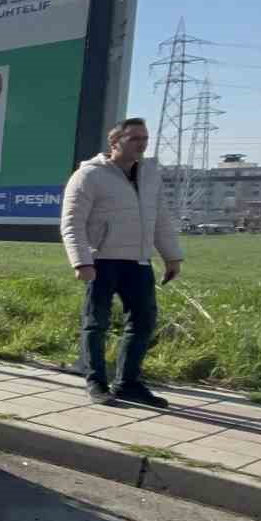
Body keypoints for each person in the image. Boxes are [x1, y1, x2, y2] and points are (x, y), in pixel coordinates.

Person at [60, 117, 183, 408]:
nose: (142, 144)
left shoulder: (150, 175)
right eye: (135, 139)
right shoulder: (89, 175)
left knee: (143, 322)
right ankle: (96, 383)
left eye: (145, 138)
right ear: (115, 143)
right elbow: (72, 221)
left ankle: (128, 383)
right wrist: (81, 261)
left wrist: (172, 256)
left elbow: (160, 220)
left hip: (138, 261)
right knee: (96, 324)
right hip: (101, 260)